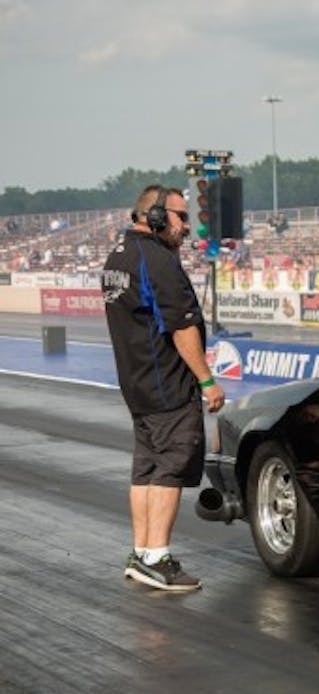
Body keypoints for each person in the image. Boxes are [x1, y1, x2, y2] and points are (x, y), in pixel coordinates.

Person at [102, 185, 225, 591]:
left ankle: (141, 552)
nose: (187, 226)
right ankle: (157, 558)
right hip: (167, 385)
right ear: (154, 217)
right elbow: (182, 327)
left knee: (146, 468)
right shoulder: (157, 260)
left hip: (136, 384)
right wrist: (207, 380)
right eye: (180, 216)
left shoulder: (118, 256)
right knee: (171, 465)